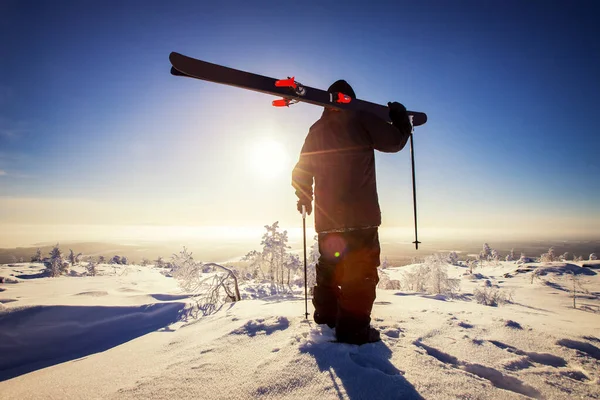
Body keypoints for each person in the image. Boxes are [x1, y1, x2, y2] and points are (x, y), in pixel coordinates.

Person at [291, 79, 412, 345]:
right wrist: (402, 121)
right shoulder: (361, 120)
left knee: (329, 268)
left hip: (328, 221)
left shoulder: (317, 129)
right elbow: (394, 142)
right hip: (361, 219)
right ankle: (353, 330)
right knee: (361, 272)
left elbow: (302, 169)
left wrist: (304, 197)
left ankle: (326, 318)